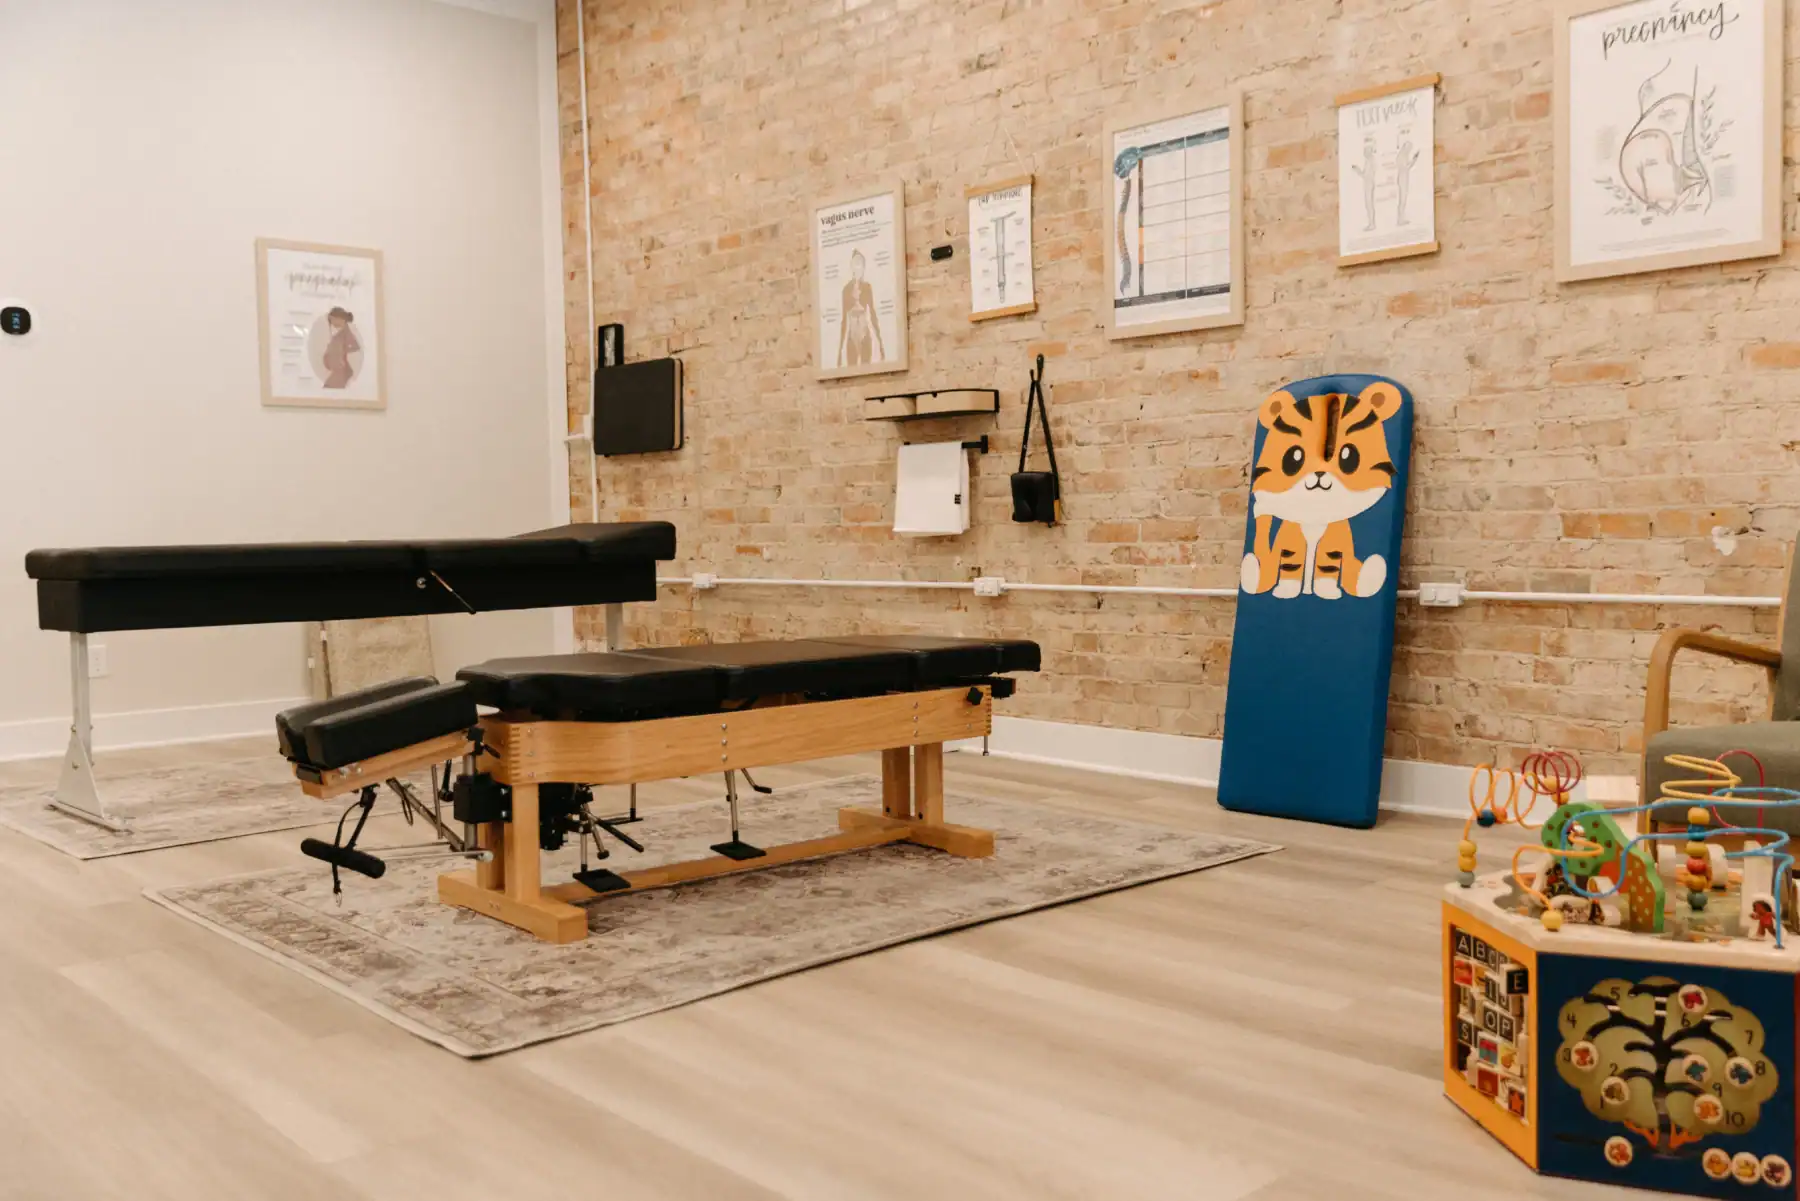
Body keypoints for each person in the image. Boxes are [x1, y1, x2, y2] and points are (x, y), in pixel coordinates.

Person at [836, 251, 884, 368]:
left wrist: (881, 344)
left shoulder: (867, 288)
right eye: (856, 264)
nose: (858, 268)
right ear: (852, 266)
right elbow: (843, 321)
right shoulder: (846, 290)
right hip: (852, 336)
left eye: (861, 264)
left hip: (864, 335)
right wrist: (839, 352)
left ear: (864, 267)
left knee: (865, 368)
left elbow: (873, 315)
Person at [320, 307, 361, 388]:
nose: (331, 322)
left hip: (341, 372)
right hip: (336, 371)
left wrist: (342, 358)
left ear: (340, 319)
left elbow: (354, 350)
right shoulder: (337, 334)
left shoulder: (346, 334)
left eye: (332, 319)